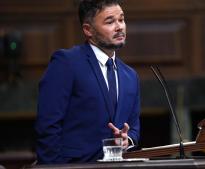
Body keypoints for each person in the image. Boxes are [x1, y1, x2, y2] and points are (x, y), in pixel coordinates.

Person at [35, 0, 140, 164]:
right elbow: (48, 125)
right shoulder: (67, 62)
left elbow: (133, 128)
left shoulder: (130, 75)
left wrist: (128, 140)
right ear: (88, 29)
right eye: (110, 21)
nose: (120, 27)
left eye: (121, 19)